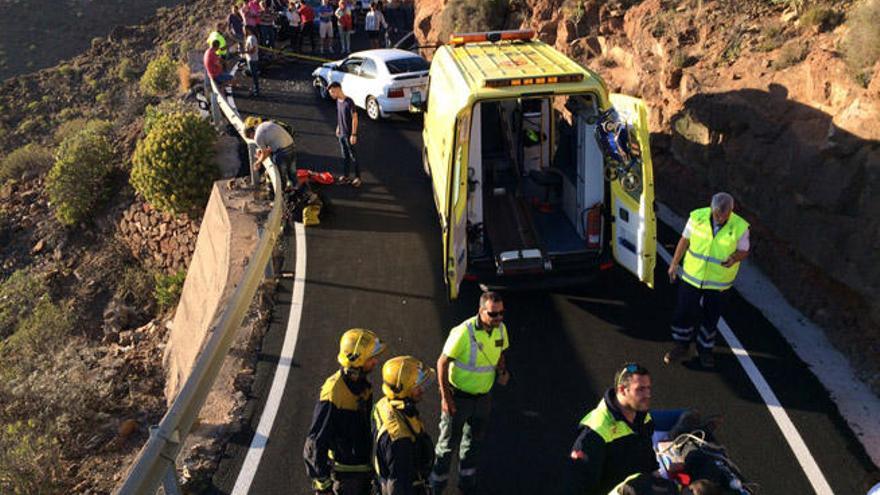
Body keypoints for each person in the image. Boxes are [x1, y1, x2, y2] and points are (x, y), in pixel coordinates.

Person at [429, 292, 511, 495]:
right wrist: (446, 398)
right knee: (447, 445)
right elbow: (442, 362)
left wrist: (501, 368)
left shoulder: (501, 329)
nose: (498, 318)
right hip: (458, 399)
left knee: (473, 442)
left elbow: (501, 352)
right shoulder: (462, 333)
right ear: (481, 311)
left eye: (501, 313)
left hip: (483, 399)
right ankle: (436, 486)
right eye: (493, 314)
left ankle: (466, 483)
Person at [664, 192, 750, 369]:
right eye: (717, 214)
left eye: (723, 216)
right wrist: (674, 264)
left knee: (711, 317)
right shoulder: (697, 217)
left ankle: (704, 350)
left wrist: (734, 258)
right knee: (684, 312)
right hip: (692, 277)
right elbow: (684, 240)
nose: (719, 219)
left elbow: (744, 251)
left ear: (731, 211)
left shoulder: (740, 227)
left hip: (718, 283)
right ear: (711, 209)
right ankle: (681, 345)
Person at [304, 328, 387, 495]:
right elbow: (314, 442)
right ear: (357, 359)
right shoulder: (333, 393)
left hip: (361, 468)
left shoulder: (363, 386)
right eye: (371, 358)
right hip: (345, 476)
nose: (375, 362)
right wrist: (323, 485)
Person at [570, 363, 658, 495]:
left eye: (648, 388)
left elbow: (646, 450)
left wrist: (654, 472)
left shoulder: (642, 415)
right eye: (640, 389)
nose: (648, 394)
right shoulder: (595, 433)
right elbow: (582, 485)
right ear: (622, 390)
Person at [373, 356, 436, 495]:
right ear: (402, 389)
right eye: (417, 386)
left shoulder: (385, 403)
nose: (422, 390)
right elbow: (398, 486)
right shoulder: (400, 439)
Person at [245, 117, 296, 190]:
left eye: (251, 138)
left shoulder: (257, 137)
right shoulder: (266, 124)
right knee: (292, 171)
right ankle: (296, 187)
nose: (253, 140)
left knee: (280, 175)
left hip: (282, 152)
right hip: (291, 145)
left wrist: (258, 162)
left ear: (251, 133)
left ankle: (282, 192)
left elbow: (265, 153)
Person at [328, 82, 361, 187]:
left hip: (349, 134)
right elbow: (339, 114)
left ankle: (358, 178)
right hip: (341, 134)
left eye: (332, 92)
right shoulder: (338, 101)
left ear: (338, 89)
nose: (331, 94)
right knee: (345, 156)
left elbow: (355, 118)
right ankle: (346, 177)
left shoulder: (349, 102)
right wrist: (338, 126)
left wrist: (354, 134)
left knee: (353, 156)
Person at [243, 26, 260, 96]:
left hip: (252, 59)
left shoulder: (252, 38)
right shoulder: (249, 38)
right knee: (253, 74)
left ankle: (256, 90)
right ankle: (254, 89)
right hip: (250, 59)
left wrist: (245, 51)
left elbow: (253, 50)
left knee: (254, 75)